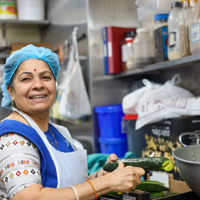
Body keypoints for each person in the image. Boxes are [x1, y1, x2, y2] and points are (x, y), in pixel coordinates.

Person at [0, 44, 145, 200]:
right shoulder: (13, 137)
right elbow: (30, 197)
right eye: (26, 79)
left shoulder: (58, 133)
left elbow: (70, 187)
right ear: (11, 91)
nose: (38, 85)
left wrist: (101, 176)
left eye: (46, 77)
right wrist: (106, 183)